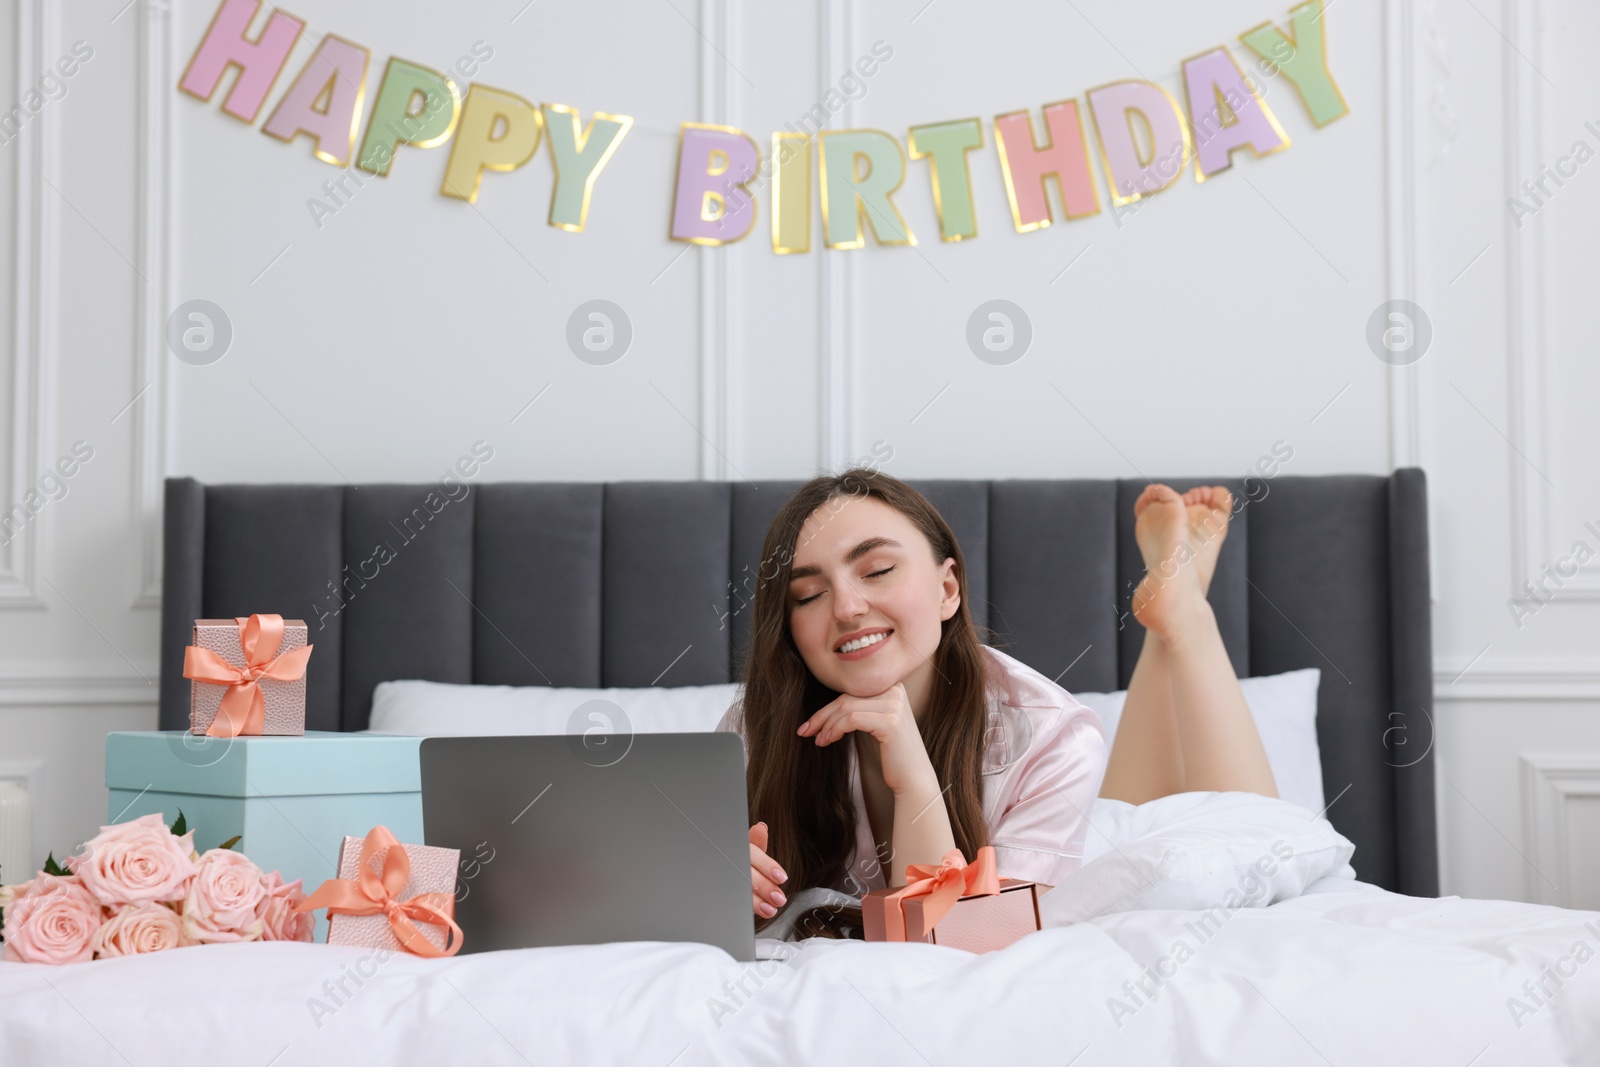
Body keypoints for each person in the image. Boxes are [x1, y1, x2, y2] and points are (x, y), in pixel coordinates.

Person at [714, 469, 1277, 935]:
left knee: (1254, 828)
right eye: (809, 594)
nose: (846, 607)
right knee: (1121, 813)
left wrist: (913, 776)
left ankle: (1184, 616)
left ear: (948, 590)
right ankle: (1174, 601)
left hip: (1052, 854)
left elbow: (964, 942)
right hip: (1068, 836)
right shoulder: (754, 731)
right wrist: (716, 885)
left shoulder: (1050, 733)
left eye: (878, 570)